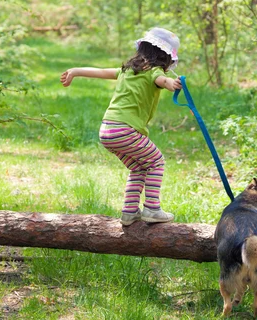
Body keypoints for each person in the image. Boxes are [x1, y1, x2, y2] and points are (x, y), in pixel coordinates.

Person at [60, 27, 182, 226]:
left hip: (107, 130)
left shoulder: (128, 70)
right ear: (165, 57)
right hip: (125, 130)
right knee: (156, 161)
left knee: (138, 168)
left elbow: (100, 72)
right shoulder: (155, 72)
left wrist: (75, 71)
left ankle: (129, 212)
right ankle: (152, 208)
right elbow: (163, 81)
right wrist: (172, 84)